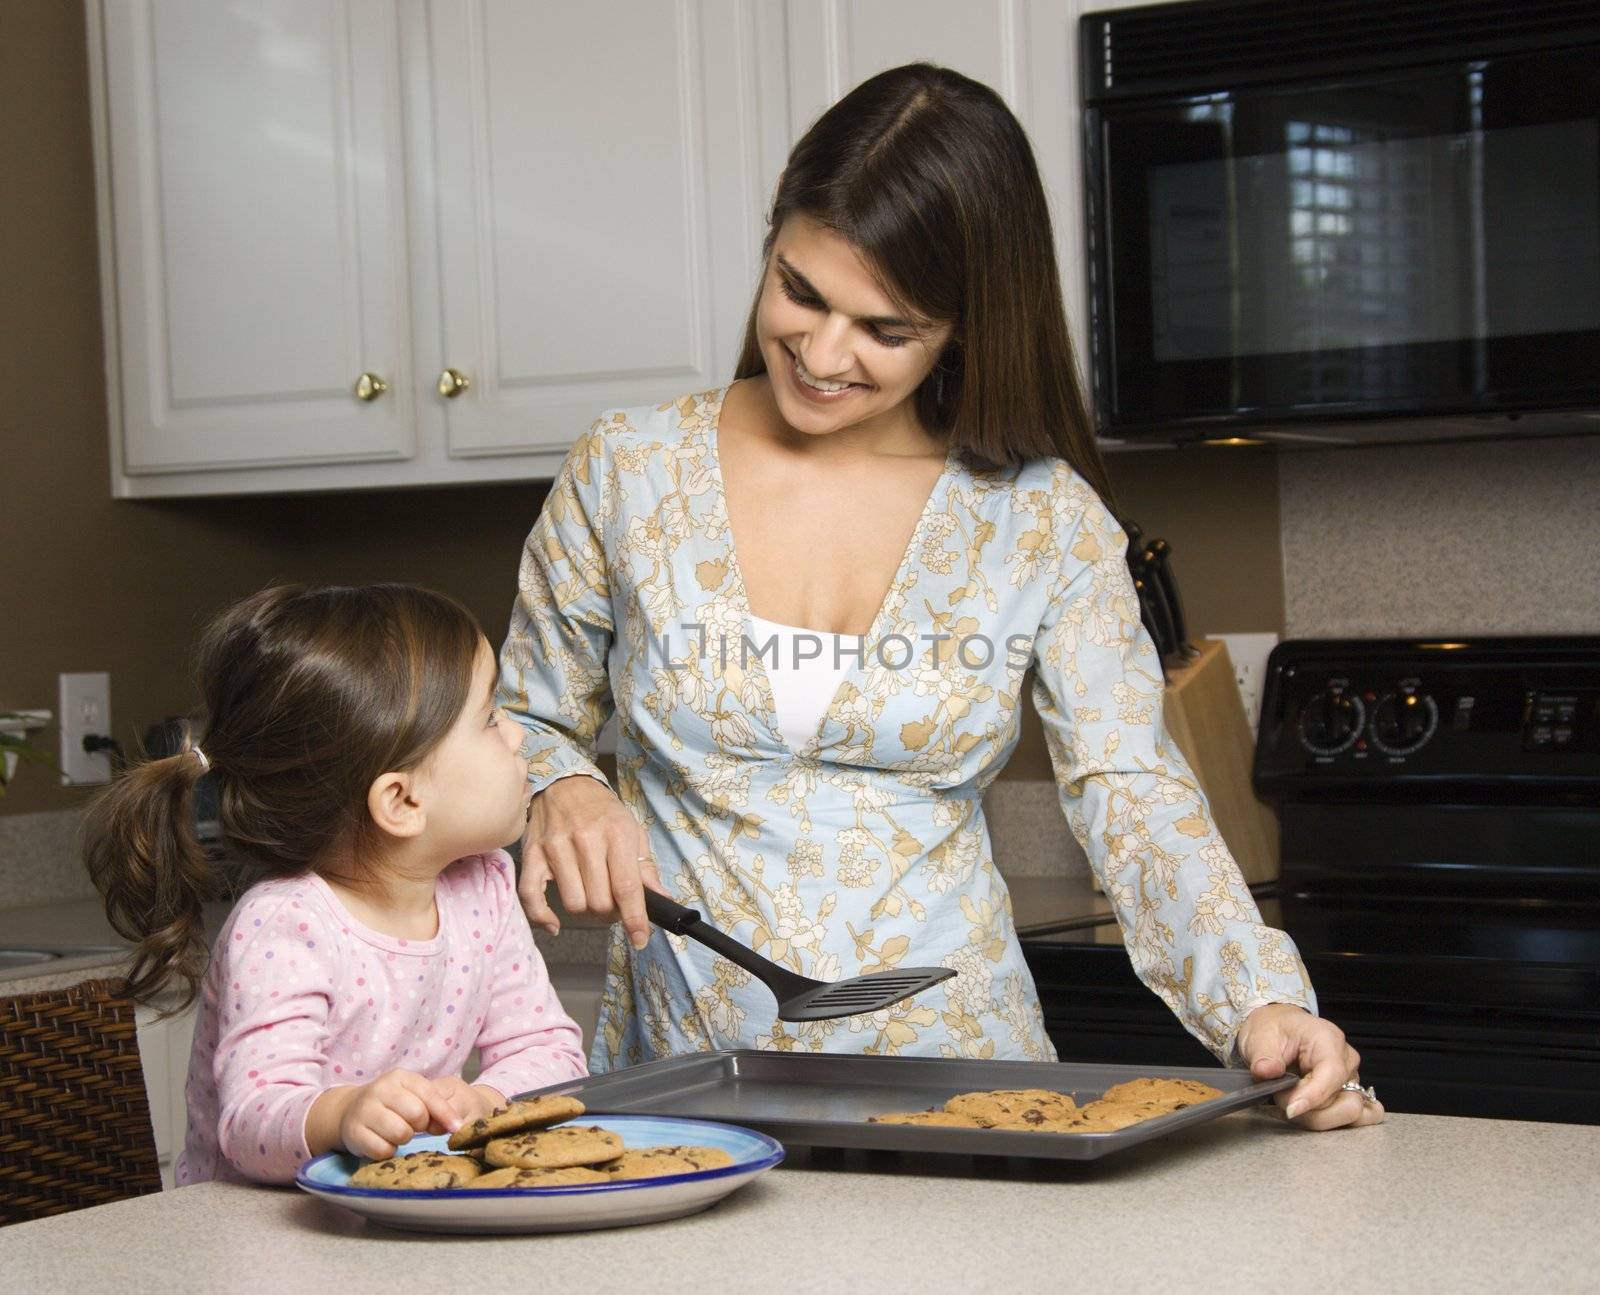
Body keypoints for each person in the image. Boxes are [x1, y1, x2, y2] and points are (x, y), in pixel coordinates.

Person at [499, 64, 1381, 1130]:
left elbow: (1133, 793)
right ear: (772, 235)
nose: (822, 355)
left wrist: (1259, 998)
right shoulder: (626, 470)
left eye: (887, 328)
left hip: (969, 1086)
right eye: (801, 291)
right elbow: (528, 716)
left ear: (967, 323)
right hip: (686, 1093)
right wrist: (562, 784)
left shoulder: (1043, 521)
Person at [82, 584, 586, 1185]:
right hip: (256, 1237)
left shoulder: (483, 886)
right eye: (490, 719)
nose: (518, 737)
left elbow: (549, 1048)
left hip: (392, 1212)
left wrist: (492, 1097)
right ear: (401, 801)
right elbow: (249, 1122)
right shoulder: (286, 924)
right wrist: (341, 1114)